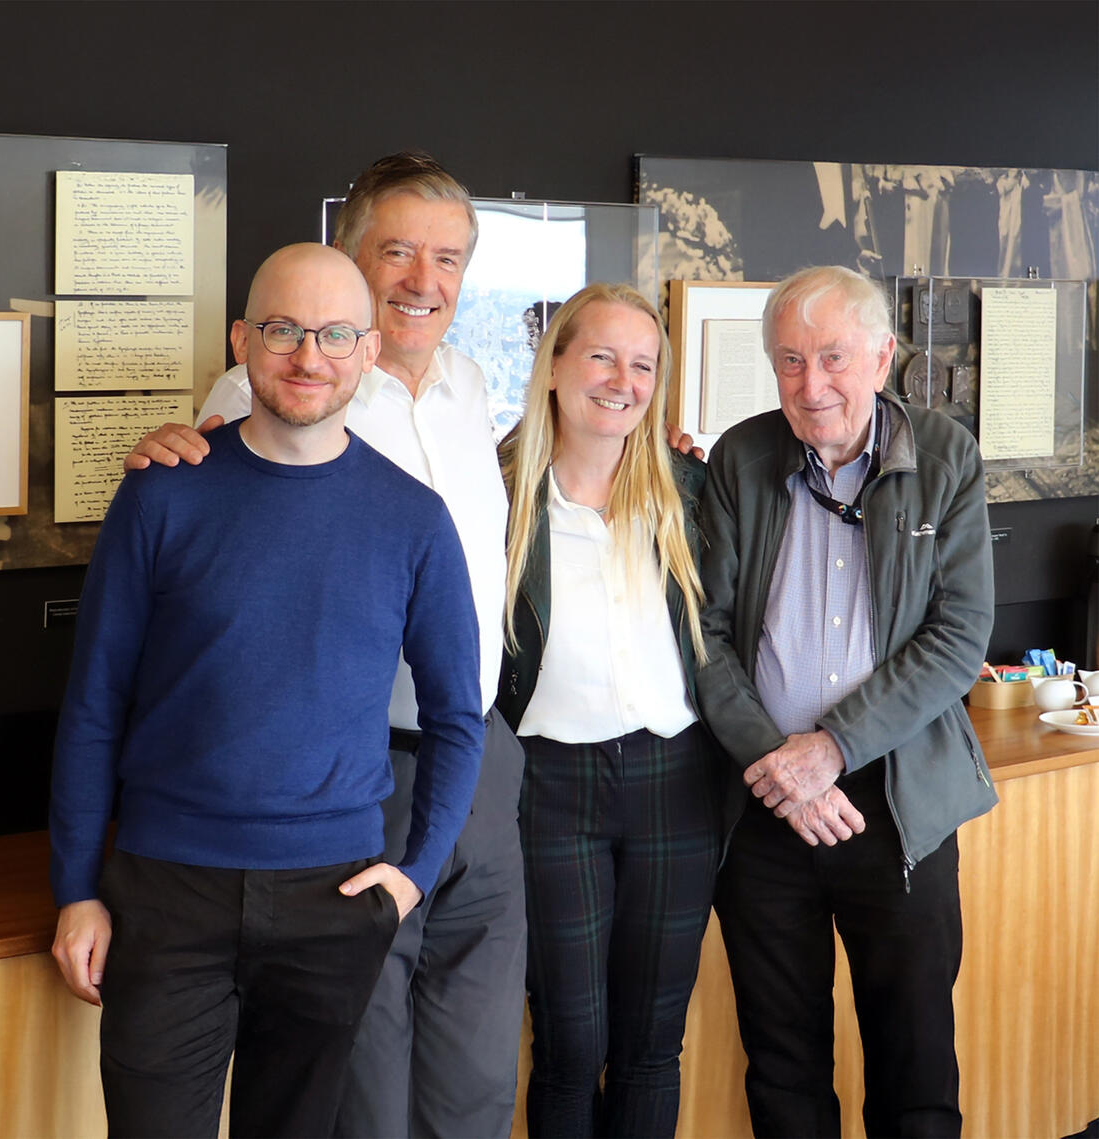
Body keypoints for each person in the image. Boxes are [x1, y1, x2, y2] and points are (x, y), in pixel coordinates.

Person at [124, 153, 526, 1139]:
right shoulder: (279, 384)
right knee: (359, 1094)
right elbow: (207, 493)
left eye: (448, 258)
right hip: (352, 782)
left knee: (475, 1080)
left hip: (478, 754)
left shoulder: (472, 385)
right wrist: (161, 445)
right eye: (398, 252)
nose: (424, 279)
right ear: (346, 253)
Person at [50, 243, 484, 1138]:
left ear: (369, 351)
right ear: (243, 340)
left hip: (334, 899)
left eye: (335, 334)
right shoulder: (160, 496)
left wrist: (414, 875)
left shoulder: (414, 518)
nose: (309, 356)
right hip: (166, 892)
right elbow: (94, 703)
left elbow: (456, 716)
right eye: (284, 330)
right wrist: (76, 886)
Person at [696, 265, 997, 1138]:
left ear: (882, 356)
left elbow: (958, 636)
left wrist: (831, 748)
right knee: (783, 1069)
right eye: (790, 360)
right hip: (767, 807)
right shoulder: (741, 457)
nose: (811, 383)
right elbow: (703, 634)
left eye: (832, 356)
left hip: (897, 805)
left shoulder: (944, 457)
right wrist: (779, 764)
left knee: (915, 1067)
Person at [497, 283, 721, 1138]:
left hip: (676, 782)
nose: (623, 381)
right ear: (554, 365)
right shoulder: (499, 493)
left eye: (643, 364)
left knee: (650, 1046)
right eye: (601, 356)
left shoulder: (690, 489)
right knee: (569, 1042)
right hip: (549, 788)